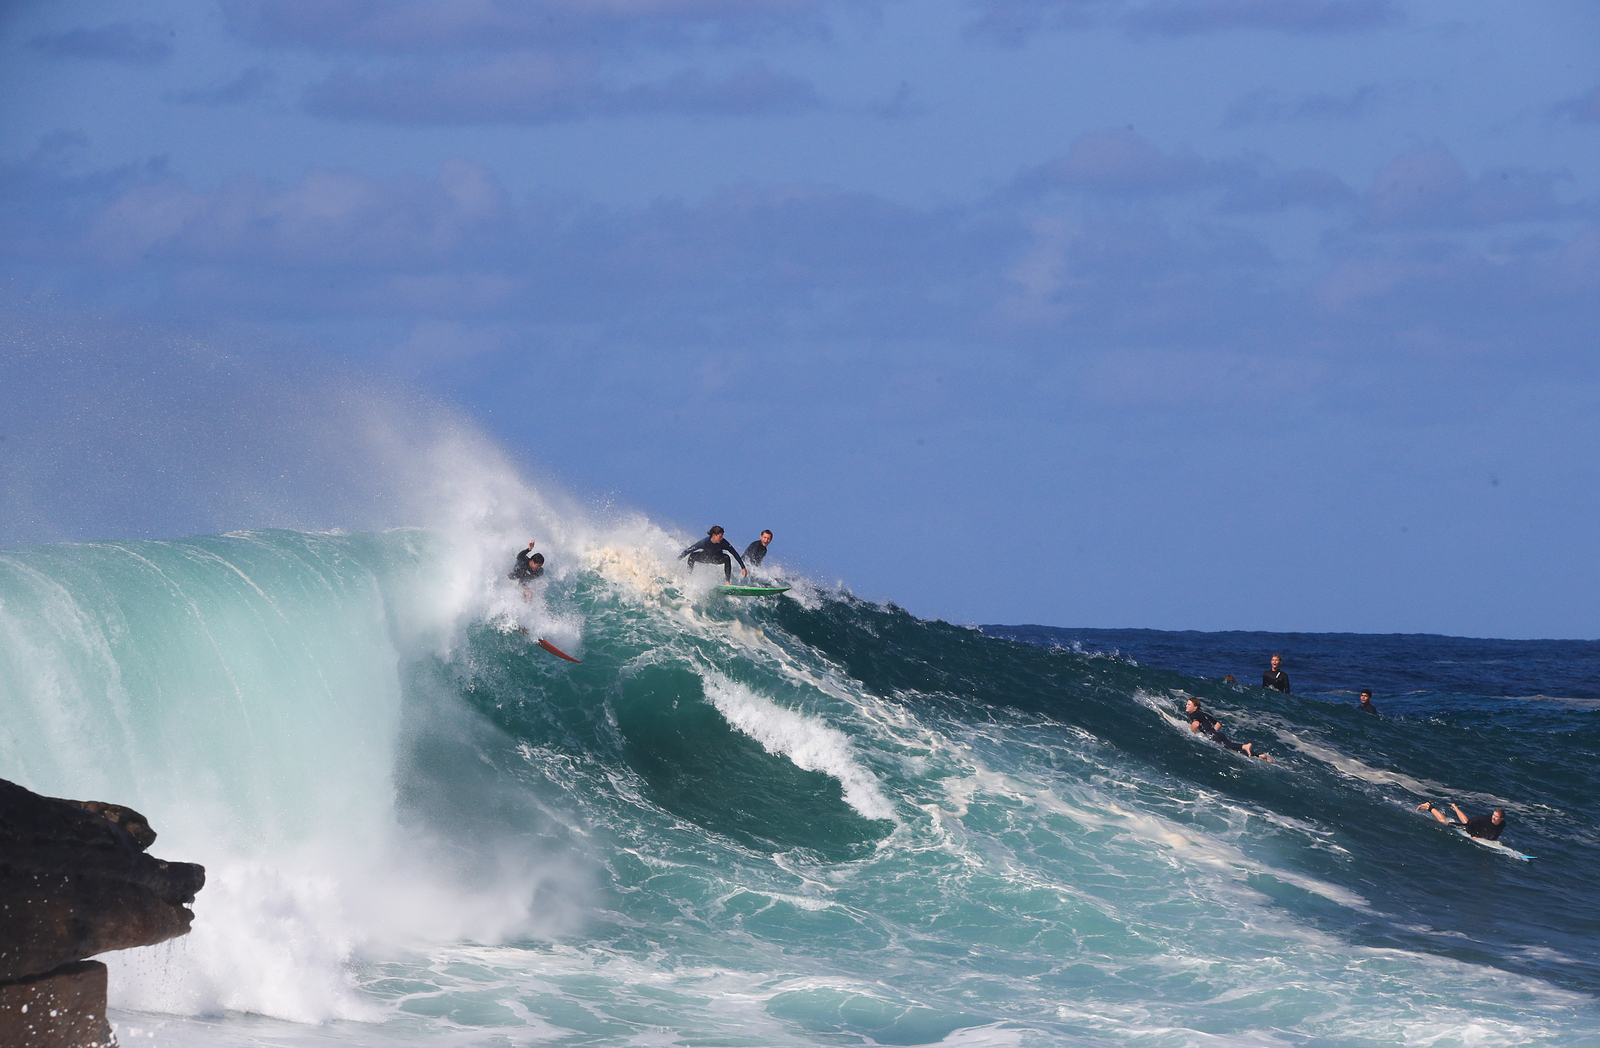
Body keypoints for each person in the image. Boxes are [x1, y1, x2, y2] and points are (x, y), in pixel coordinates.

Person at [678, 526, 748, 582]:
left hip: (717, 559)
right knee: (692, 556)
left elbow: (734, 553)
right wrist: (679, 559)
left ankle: (727, 582)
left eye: (722, 536)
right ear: (714, 535)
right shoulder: (705, 542)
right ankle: (689, 575)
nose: (722, 538)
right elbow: (689, 550)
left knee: (727, 558)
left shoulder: (724, 543)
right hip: (705, 558)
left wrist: (743, 567)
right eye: (720, 536)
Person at [1189, 715, 1272, 761]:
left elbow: (1196, 724)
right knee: (1231, 747)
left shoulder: (1194, 714)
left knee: (1226, 746)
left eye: (1189, 704)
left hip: (1213, 735)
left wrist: (1193, 733)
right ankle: (1259, 755)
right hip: (1218, 733)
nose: (1186, 706)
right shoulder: (1205, 715)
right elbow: (1218, 724)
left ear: (1195, 707)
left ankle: (1244, 746)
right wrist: (1213, 732)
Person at [1418, 801, 1506, 841]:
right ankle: (1429, 807)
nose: (1493, 818)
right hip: (1469, 828)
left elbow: (1498, 831)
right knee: (1444, 823)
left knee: (1466, 822)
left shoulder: (1503, 824)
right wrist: (1473, 835)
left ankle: (1455, 808)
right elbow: (1471, 823)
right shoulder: (1485, 819)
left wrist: (1494, 840)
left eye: (1496, 817)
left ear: (1501, 819)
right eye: (1493, 815)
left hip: (1476, 828)